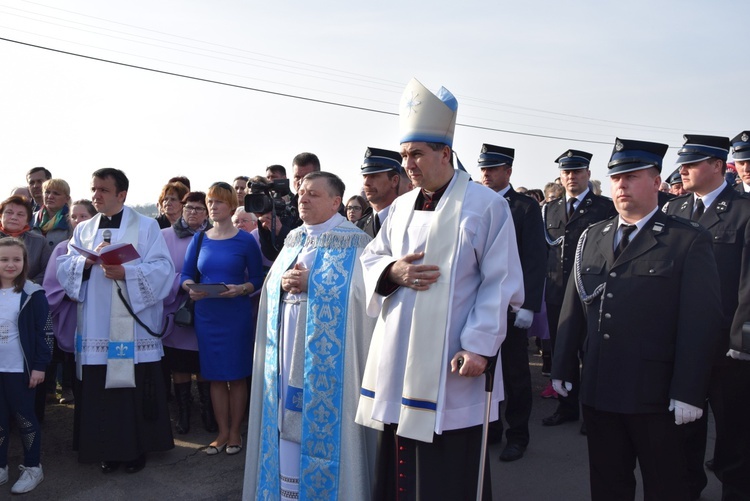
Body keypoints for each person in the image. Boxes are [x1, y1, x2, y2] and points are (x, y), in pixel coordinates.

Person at [355, 78, 524, 500]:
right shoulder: (398, 208)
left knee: (449, 468)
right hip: (400, 358)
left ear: (445, 153)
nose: (408, 164)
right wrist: (393, 271)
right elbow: (371, 260)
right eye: (404, 155)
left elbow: (500, 282)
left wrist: (480, 346)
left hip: (453, 361)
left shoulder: (486, 206)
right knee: (399, 457)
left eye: (417, 154)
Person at [552, 138, 722, 500]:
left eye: (631, 176)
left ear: (657, 182)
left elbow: (701, 323)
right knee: (608, 484)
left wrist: (689, 391)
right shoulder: (592, 236)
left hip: (656, 396)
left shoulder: (686, 239)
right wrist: (563, 366)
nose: (621, 185)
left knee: (666, 486)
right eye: (615, 178)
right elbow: (574, 308)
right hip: (600, 388)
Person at [243, 171, 377, 500]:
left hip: (327, 366)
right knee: (284, 426)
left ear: (336, 202)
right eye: (301, 192)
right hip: (286, 348)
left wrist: (313, 286)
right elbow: (271, 289)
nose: (303, 198)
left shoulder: (355, 242)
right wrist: (282, 283)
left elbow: (363, 297)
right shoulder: (293, 240)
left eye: (313, 194)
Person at [56, 168, 175, 474]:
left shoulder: (147, 226)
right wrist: (85, 262)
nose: (96, 195)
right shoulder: (84, 229)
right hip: (96, 324)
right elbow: (65, 267)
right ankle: (106, 449)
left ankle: (135, 450)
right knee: (100, 391)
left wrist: (129, 273)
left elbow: (163, 269)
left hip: (132, 327)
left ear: (121, 194)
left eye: (103, 190)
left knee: (129, 391)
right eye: (93, 189)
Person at [664, 134, 750, 499]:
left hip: (728, 345)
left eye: (692, 163)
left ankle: (736, 489)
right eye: (682, 163)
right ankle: (687, 490)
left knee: (735, 430)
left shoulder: (744, 210)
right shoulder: (674, 211)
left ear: (717, 166)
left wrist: (741, 339)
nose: (683, 170)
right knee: (684, 427)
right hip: (685, 343)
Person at [181, 182, 263, 457]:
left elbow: (257, 278)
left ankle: (235, 431)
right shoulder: (200, 238)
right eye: (210, 202)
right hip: (208, 315)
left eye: (217, 202)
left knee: (237, 377)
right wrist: (191, 289)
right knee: (214, 376)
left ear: (229, 205)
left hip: (236, 315)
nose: (212, 207)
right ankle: (221, 432)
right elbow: (185, 275)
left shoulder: (246, 239)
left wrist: (241, 289)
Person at [478, 144, 546, 462]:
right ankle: (489, 427)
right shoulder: (477, 204)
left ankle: (517, 434)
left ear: (508, 171)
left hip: (511, 305)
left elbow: (534, 257)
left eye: (493, 168)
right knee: (483, 370)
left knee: (516, 373)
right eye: (484, 168)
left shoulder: (524, 208)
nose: (487, 174)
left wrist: (528, 304)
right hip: (481, 303)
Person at [542, 150, 616, 427]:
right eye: (566, 173)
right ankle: (567, 406)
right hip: (557, 291)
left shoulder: (604, 207)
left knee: (590, 350)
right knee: (563, 350)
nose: (571, 177)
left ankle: (590, 410)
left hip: (589, 291)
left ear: (587, 174)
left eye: (577, 172)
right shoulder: (550, 208)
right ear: (561, 177)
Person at [160, 191, 217, 436]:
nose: (193, 212)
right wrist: (182, 284)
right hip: (177, 309)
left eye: (198, 208)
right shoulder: (163, 236)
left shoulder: (215, 236)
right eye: (189, 208)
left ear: (206, 212)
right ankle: (182, 414)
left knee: (203, 364)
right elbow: (157, 272)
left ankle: (207, 411)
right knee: (180, 365)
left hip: (206, 308)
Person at [0, 238, 51, 494]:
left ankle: (33, 466)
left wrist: (40, 366)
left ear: (24, 262)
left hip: (21, 371)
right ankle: (1, 466)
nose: (10, 264)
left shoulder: (33, 294)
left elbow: (45, 333)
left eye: (16, 259)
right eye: (4, 259)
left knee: (25, 419)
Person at [43, 200, 97, 406]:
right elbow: (51, 286)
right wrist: (71, 291)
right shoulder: (62, 248)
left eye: (83, 216)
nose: (78, 221)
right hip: (69, 313)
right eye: (74, 217)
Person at [0, 196, 52, 285]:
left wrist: (27, 286)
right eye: (9, 212)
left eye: (20, 214)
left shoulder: (39, 242)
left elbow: (47, 271)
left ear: (28, 220)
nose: (14, 217)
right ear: (1, 216)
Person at [356, 147, 403, 238]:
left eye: (374, 176)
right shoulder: (359, 226)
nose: (366, 183)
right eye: (364, 176)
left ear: (394, 181)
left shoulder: (411, 220)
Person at [31, 178, 73, 251]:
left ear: (67, 198)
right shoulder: (31, 218)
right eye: (47, 192)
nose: (50, 196)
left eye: (56, 193)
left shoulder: (71, 221)